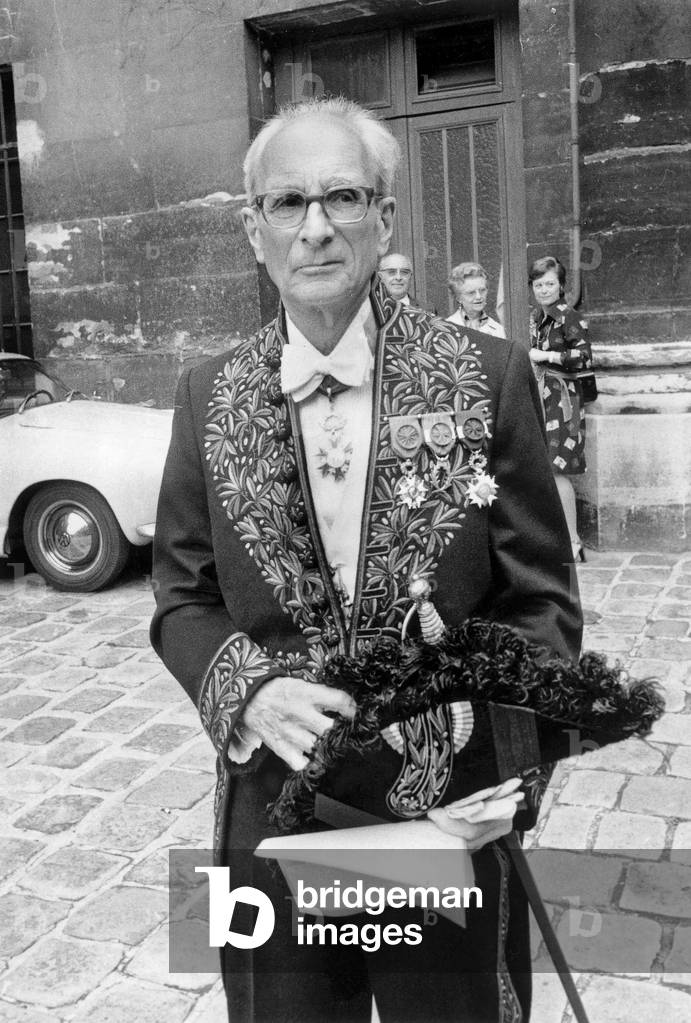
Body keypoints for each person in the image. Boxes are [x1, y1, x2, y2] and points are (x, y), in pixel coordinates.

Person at [151, 97, 582, 1023]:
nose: (315, 228)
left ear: (384, 215)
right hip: (277, 803)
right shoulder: (204, 396)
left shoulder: (485, 376)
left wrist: (503, 777)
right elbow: (182, 596)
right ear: (251, 229)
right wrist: (251, 691)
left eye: (342, 196)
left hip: (443, 816)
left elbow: (542, 604)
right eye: (286, 203)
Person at [528, 255, 592, 561]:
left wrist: (546, 356)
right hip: (541, 396)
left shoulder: (570, 317)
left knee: (558, 468)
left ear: (561, 285)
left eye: (549, 283)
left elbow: (583, 358)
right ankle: (558, 537)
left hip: (564, 398)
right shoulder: (537, 317)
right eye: (538, 284)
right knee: (545, 468)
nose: (543, 290)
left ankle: (572, 541)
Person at [446, 262, 506, 338]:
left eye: (482, 290)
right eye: (471, 293)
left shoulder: (499, 330)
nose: (478, 297)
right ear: (458, 297)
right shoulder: (448, 328)